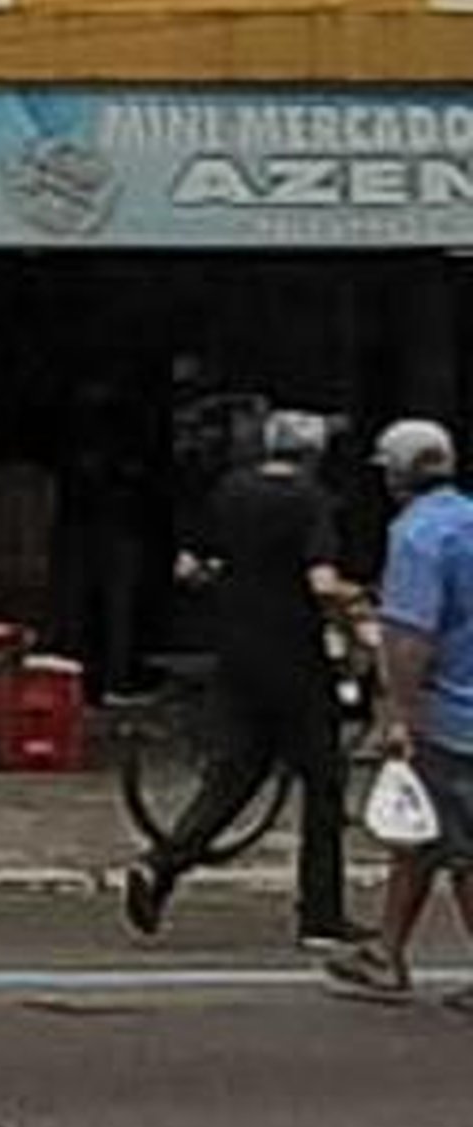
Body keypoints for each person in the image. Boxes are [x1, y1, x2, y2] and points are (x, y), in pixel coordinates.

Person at [121, 401, 360, 949]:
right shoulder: (310, 502)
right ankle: (321, 916)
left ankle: (161, 866)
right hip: (296, 658)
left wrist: (237, 590)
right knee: (323, 785)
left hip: (236, 653)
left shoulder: (230, 491)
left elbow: (191, 567)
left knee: (237, 774)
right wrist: (354, 609)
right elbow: (322, 582)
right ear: (313, 457)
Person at [326, 416, 473, 1006]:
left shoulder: (416, 537)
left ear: (393, 477)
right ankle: (386, 952)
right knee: (419, 835)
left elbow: (410, 637)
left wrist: (397, 713)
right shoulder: (467, 520)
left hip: (451, 713)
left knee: (461, 847)